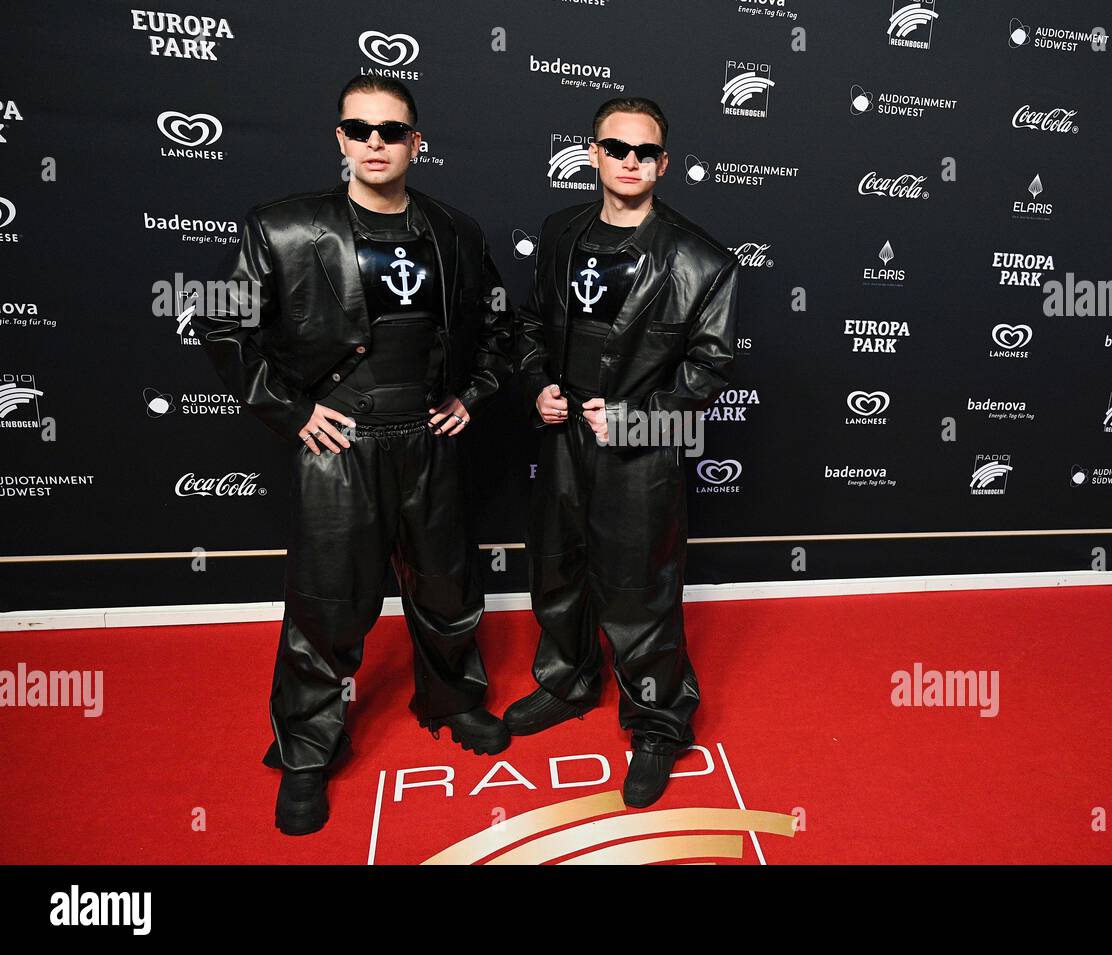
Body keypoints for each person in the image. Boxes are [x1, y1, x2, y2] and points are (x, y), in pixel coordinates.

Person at [193, 75, 513, 835]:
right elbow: (221, 325)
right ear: (340, 138)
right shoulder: (285, 228)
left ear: (416, 142)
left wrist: (474, 392)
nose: (376, 142)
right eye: (360, 129)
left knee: (446, 586)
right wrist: (293, 409)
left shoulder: (456, 232)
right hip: (341, 445)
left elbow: (496, 325)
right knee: (327, 603)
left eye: (392, 131)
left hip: (427, 437)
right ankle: (307, 749)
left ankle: (454, 699)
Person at [510, 96, 739, 808]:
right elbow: (529, 324)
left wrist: (638, 418)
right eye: (617, 148)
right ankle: (569, 678)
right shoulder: (559, 233)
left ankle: (658, 722)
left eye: (645, 152)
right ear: (593, 155)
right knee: (560, 565)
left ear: (664, 163)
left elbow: (709, 368)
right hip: (566, 430)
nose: (630, 162)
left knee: (642, 587)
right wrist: (538, 384)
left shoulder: (702, 259)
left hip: (644, 440)